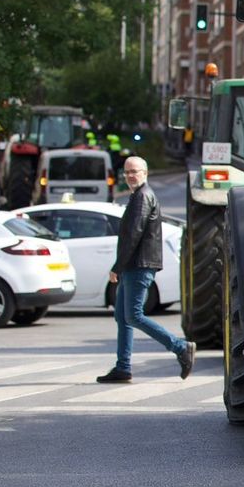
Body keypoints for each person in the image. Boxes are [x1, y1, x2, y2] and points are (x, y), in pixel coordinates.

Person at [98, 157, 195, 384]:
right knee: (123, 317)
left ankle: (180, 347)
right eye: (127, 172)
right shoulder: (138, 196)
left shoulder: (143, 196)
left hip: (139, 266)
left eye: (135, 171)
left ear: (145, 173)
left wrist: (117, 267)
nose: (131, 175)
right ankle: (123, 367)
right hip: (134, 265)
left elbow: (134, 235)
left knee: (134, 315)